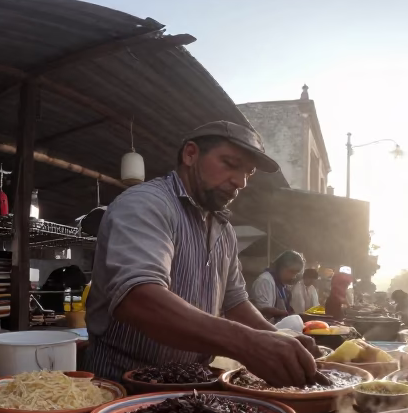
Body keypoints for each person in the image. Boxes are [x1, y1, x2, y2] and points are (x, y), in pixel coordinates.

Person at [86, 121, 318, 387]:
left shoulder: (224, 230)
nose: (240, 181)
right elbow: (138, 297)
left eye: (248, 173)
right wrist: (246, 342)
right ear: (191, 154)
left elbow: (235, 301)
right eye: (230, 163)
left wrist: (279, 339)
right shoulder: (146, 204)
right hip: (123, 386)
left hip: (192, 386)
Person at [250, 250, 304, 322]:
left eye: (296, 274)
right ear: (280, 267)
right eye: (291, 272)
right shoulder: (265, 281)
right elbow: (264, 311)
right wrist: (288, 314)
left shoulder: (280, 284)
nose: (293, 277)